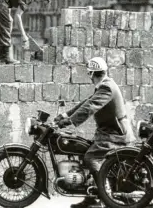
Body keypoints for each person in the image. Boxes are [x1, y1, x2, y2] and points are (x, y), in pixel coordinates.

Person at [55, 57, 135, 208]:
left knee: (91, 158)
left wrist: (69, 122)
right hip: (107, 132)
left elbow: (90, 107)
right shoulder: (104, 85)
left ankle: (103, 197)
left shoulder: (106, 87)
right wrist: (63, 116)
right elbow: (86, 102)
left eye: (89, 74)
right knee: (84, 151)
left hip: (116, 134)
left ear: (91, 74)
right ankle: (91, 197)